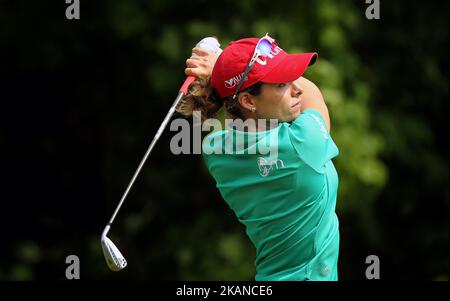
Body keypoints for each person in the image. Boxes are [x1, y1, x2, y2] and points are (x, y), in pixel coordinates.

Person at [179, 34, 340, 281]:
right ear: (248, 100)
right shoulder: (302, 143)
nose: (296, 88)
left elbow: (237, 113)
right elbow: (313, 96)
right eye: (281, 84)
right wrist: (220, 64)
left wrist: (225, 74)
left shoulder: (214, 150)